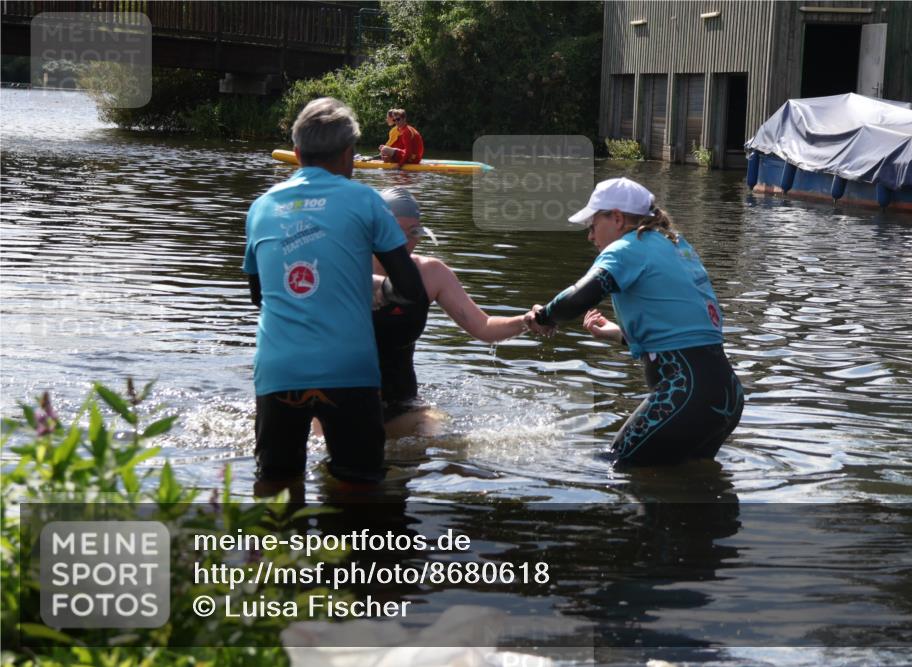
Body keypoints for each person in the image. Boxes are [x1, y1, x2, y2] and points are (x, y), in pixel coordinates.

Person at [243, 97, 428, 496]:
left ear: (296, 153)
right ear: (349, 155)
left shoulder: (260, 207)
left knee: (275, 488)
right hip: (348, 372)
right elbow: (411, 290)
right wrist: (379, 293)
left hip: (279, 370)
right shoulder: (365, 200)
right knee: (358, 489)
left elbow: (260, 298)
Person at [526, 177, 744, 466]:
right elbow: (684, 330)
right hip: (726, 394)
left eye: (592, 225)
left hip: (686, 392)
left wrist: (544, 316)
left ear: (616, 218)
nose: (590, 236)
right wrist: (617, 334)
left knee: (612, 467)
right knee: (687, 481)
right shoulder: (675, 245)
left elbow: (578, 297)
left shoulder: (627, 247)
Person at [372, 187, 528, 423]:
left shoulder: (431, 273)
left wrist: (526, 321)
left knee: (443, 443)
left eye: (413, 232)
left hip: (403, 399)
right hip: (343, 398)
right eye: (395, 230)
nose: (405, 241)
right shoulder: (345, 270)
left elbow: (484, 327)